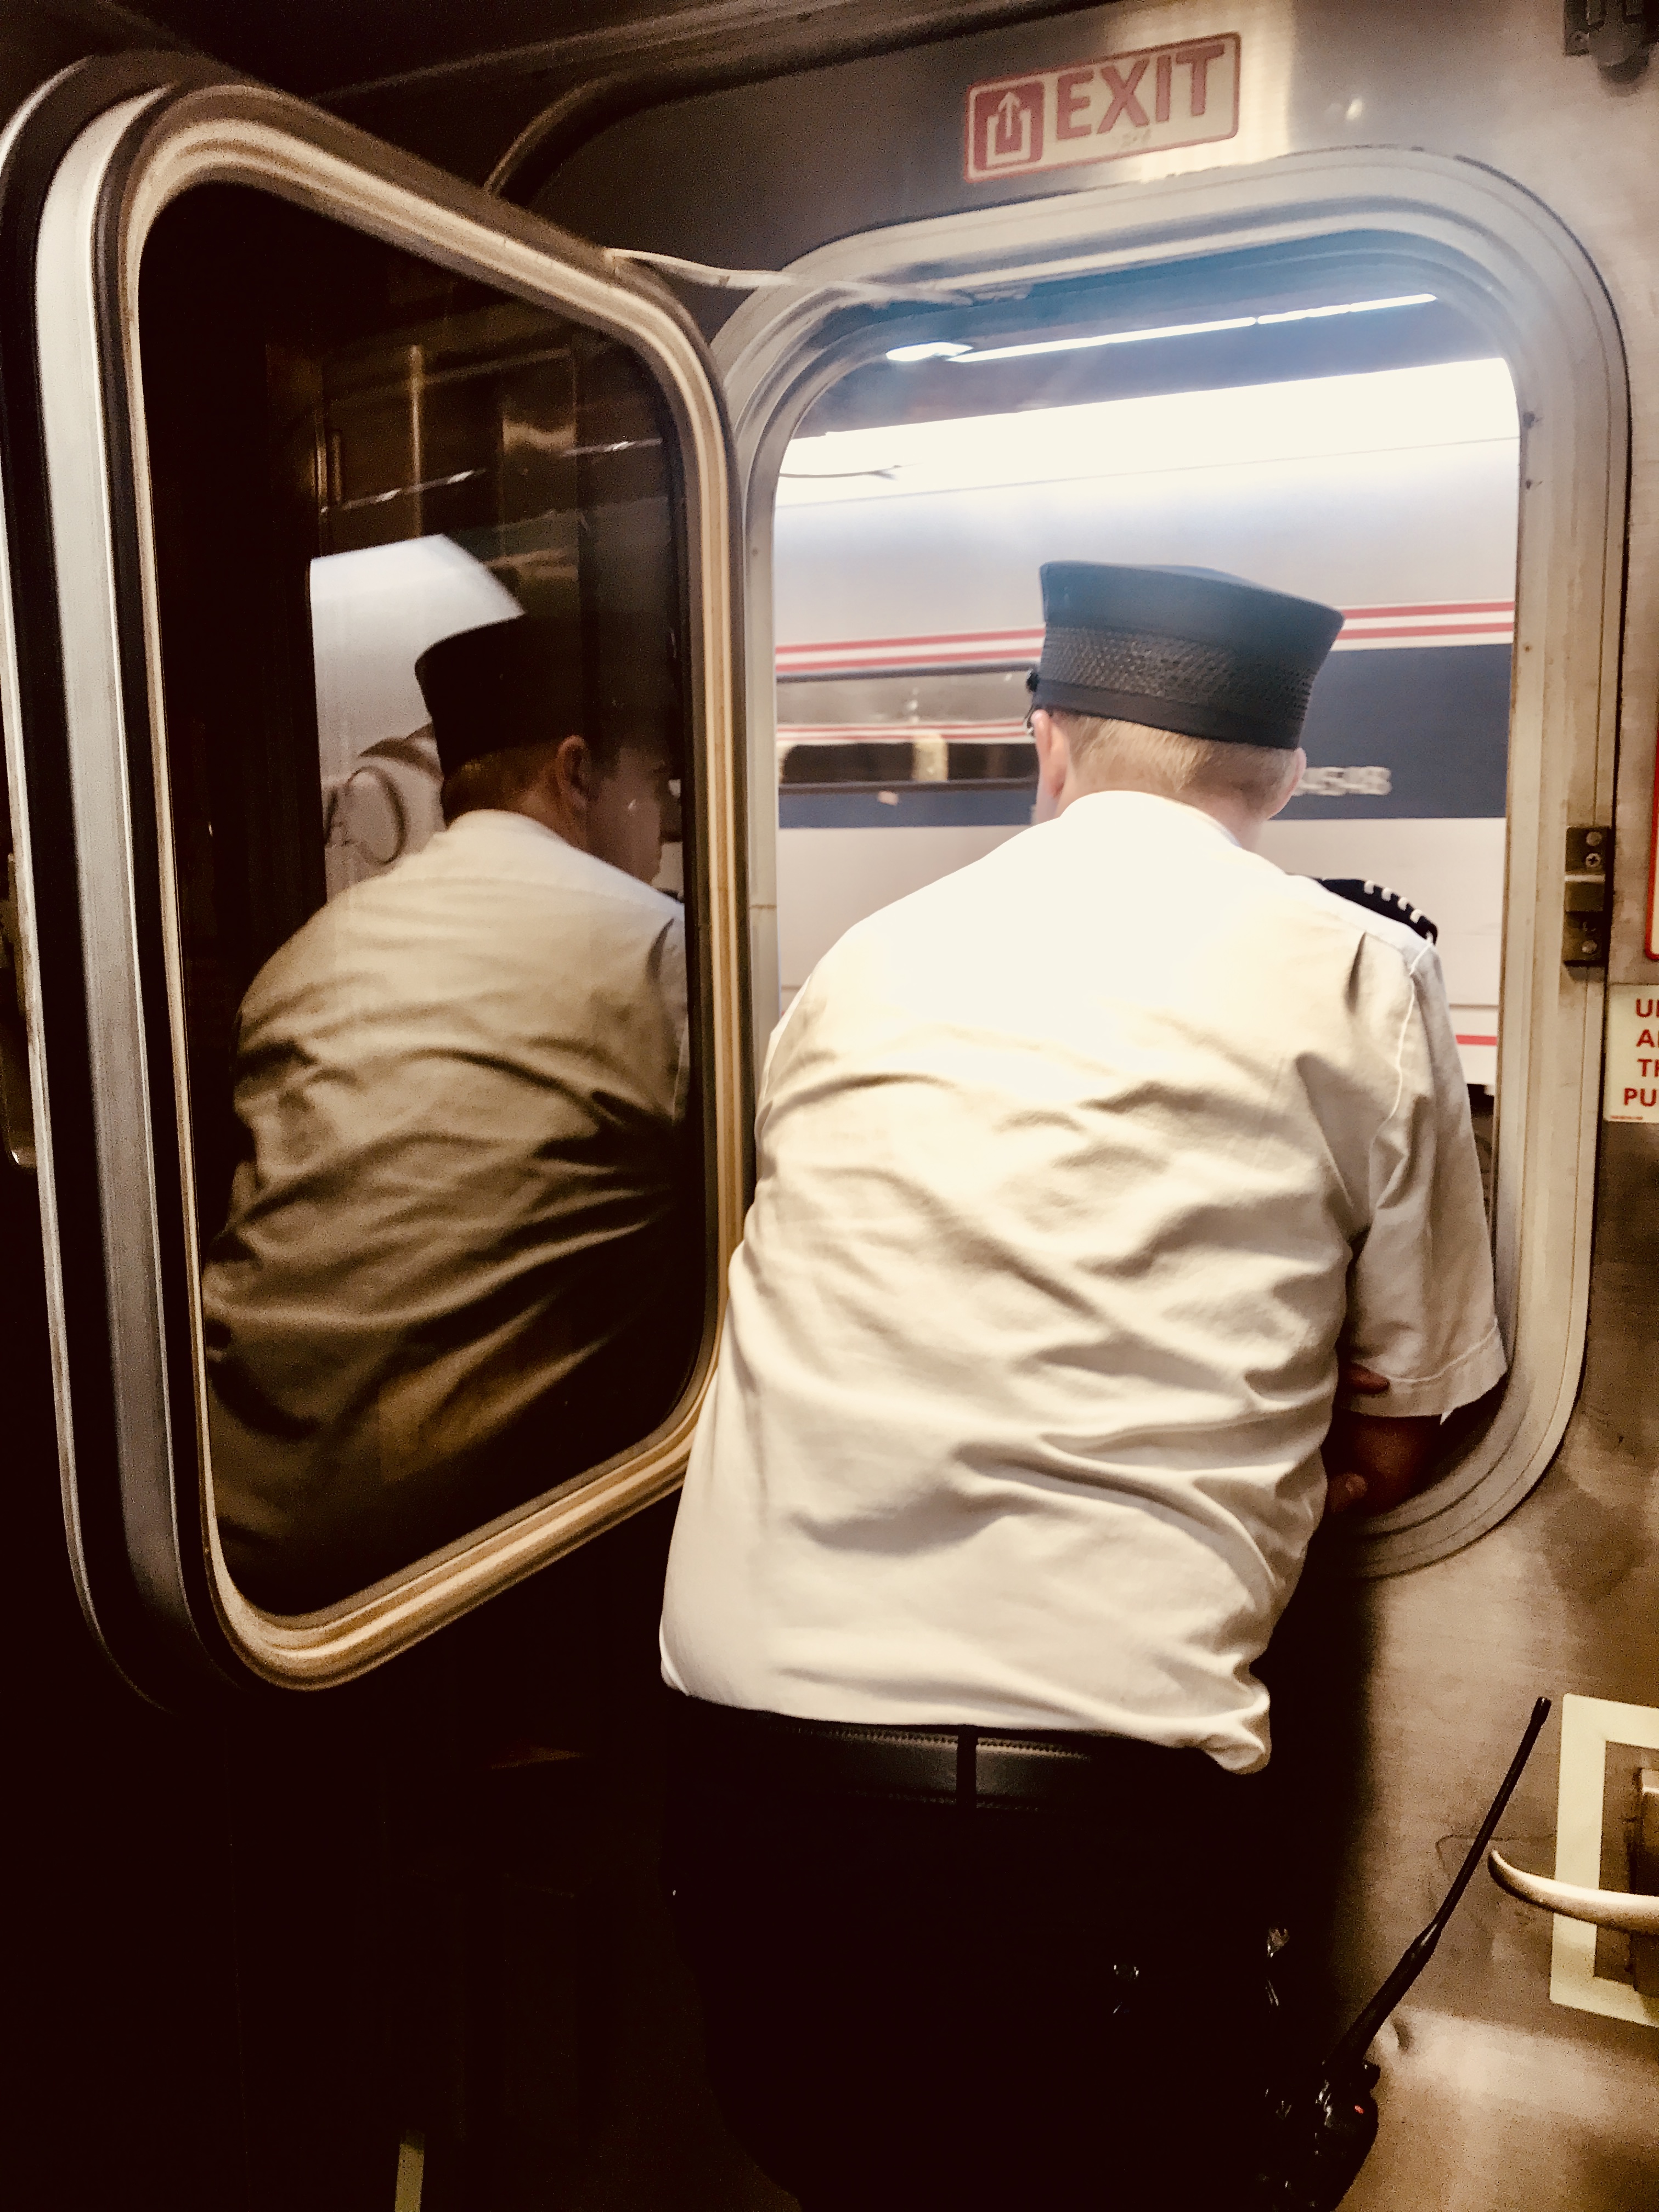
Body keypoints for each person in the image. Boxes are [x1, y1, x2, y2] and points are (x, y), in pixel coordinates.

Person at [658, 563, 1504, 2210]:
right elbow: (1408, 1429)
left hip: (748, 1789)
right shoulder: (1354, 969)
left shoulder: (862, 960)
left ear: (1045, 742)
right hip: (1089, 1819)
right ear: (1279, 777)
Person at [204, 611, 695, 1611]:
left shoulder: (305, 955)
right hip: (431, 1564)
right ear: (579, 775)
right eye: (658, 789)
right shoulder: (659, 953)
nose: (662, 833)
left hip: (219, 1531)